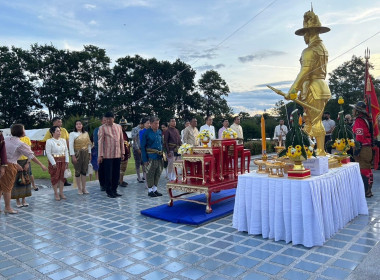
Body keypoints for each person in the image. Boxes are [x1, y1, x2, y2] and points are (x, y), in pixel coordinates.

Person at [285, 8, 331, 156]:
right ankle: (307, 147)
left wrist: (293, 90)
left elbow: (304, 71)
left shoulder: (309, 50)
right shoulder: (322, 48)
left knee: (315, 120)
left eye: (305, 33)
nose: (304, 37)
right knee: (309, 121)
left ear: (309, 32)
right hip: (321, 86)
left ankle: (321, 151)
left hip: (313, 88)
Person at [0, 124, 47, 214]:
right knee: (7, 188)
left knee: (1, 187)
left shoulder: (6, 139)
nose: (25, 131)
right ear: (20, 131)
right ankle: (8, 207)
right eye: (24, 129)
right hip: (9, 167)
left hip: (2, 163)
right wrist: (41, 164)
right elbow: (31, 155)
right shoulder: (20, 143)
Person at [98, 112, 125, 198]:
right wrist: (100, 155)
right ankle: (109, 191)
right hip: (107, 155)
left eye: (110, 119)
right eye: (106, 119)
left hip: (117, 154)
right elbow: (100, 142)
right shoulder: (102, 128)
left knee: (116, 173)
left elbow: (121, 140)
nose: (108, 121)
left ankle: (114, 190)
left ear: (114, 118)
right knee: (108, 174)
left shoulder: (118, 127)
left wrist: (123, 152)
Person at [351, 101, 374, 197]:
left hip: (362, 148)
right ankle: (369, 190)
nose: (353, 110)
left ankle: (365, 191)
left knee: (363, 169)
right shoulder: (366, 119)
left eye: (354, 109)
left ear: (357, 110)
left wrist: (357, 150)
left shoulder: (359, 120)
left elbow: (359, 137)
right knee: (368, 169)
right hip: (367, 148)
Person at [43, 117, 71, 186]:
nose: (60, 123)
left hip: (62, 149)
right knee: (55, 169)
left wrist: (67, 148)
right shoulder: (50, 131)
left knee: (63, 168)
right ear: (54, 122)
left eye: (61, 122)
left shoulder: (64, 130)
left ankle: (64, 181)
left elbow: (67, 139)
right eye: (58, 122)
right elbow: (46, 141)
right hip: (54, 151)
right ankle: (56, 182)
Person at [141, 116, 164, 197]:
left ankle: (155, 189)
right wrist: (145, 159)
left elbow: (162, 143)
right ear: (150, 124)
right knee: (150, 173)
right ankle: (150, 190)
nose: (157, 125)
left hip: (159, 156)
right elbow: (143, 147)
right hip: (151, 156)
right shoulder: (146, 133)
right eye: (155, 123)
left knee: (158, 172)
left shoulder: (159, 132)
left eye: (158, 123)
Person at [46, 126, 70, 201]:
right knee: (55, 177)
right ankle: (56, 192)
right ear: (53, 132)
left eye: (59, 131)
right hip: (54, 161)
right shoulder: (49, 141)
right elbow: (48, 153)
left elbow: (66, 151)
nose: (59, 133)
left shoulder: (63, 140)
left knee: (62, 177)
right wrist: (53, 162)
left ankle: (61, 192)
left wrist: (67, 161)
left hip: (63, 160)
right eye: (57, 131)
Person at [69, 120, 92, 195]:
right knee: (77, 171)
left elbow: (89, 144)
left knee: (84, 171)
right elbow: (71, 146)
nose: (78, 125)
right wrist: (73, 156)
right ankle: (79, 188)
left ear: (82, 125)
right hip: (77, 153)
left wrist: (89, 154)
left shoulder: (86, 133)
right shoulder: (72, 134)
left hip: (85, 153)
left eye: (80, 124)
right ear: (75, 126)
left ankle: (84, 188)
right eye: (77, 124)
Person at [12, 135, 34, 208]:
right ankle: (17, 200)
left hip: (26, 162)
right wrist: (17, 164)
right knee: (17, 181)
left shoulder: (27, 138)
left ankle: (24, 200)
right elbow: (10, 154)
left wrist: (28, 163)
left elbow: (30, 152)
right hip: (16, 162)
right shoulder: (12, 140)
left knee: (26, 180)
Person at [92, 117, 106, 191]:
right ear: (101, 121)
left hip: (109, 153)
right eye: (104, 120)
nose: (105, 122)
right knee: (102, 169)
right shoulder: (97, 130)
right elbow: (96, 142)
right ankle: (102, 184)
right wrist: (100, 153)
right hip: (101, 153)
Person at [131, 119, 146, 183]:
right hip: (137, 149)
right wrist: (137, 149)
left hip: (143, 148)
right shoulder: (135, 129)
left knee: (144, 163)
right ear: (142, 124)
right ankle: (139, 177)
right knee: (138, 162)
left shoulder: (145, 130)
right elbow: (134, 140)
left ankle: (144, 176)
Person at [119, 117, 131, 187]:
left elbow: (127, 143)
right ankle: (120, 181)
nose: (125, 127)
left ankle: (121, 180)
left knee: (123, 168)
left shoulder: (124, 133)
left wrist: (129, 152)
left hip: (126, 152)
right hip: (122, 153)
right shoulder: (120, 133)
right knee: (122, 168)